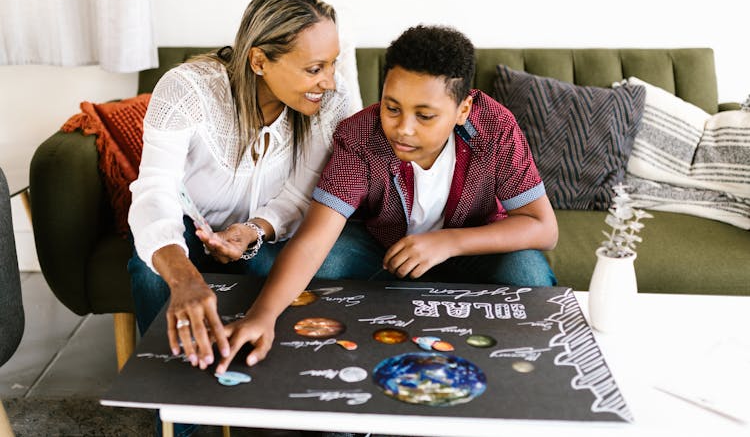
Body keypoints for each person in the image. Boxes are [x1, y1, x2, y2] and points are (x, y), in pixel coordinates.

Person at [214, 24, 559, 374]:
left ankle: (516, 377)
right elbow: (314, 239)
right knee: (316, 264)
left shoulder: (495, 128)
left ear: (463, 110)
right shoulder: (360, 136)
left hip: (470, 250)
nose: (403, 128)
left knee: (526, 270)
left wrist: (448, 242)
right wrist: (262, 316)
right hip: (384, 251)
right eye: (392, 108)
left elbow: (543, 227)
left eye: (425, 116)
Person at [127, 0, 364, 385]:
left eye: (333, 64)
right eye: (314, 68)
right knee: (152, 272)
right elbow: (155, 188)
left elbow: (302, 194)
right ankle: (177, 409)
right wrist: (183, 276)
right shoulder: (188, 88)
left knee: (289, 264)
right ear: (259, 60)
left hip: (267, 234)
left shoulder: (333, 99)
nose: (329, 81)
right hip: (188, 224)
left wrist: (253, 230)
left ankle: (266, 392)